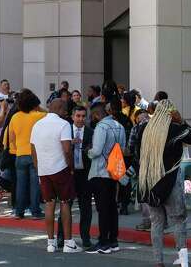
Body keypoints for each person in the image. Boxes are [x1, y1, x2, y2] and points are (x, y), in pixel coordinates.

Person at [138, 99, 191, 267]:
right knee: (179, 220)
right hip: (170, 180)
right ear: (171, 113)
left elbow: (138, 155)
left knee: (156, 222)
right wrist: (181, 120)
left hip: (150, 181)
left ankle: (158, 262)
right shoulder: (175, 129)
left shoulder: (144, 129)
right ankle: (184, 262)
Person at [31, 99, 82, 253]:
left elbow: (32, 150)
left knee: (49, 203)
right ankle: (68, 242)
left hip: (43, 169)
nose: (66, 112)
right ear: (59, 108)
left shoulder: (37, 124)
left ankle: (50, 243)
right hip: (60, 168)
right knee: (65, 203)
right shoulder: (64, 124)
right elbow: (67, 149)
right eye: (65, 109)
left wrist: (38, 167)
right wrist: (71, 167)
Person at [86, 102, 127, 254]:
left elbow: (96, 151)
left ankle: (103, 242)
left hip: (100, 171)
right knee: (112, 207)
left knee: (102, 209)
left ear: (97, 114)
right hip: (113, 171)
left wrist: (88, 152)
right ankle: (113, 240)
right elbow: (122, 149)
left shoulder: (101, 127)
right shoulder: (119, 126)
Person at [7, 90, 46, 219]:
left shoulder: (15, 117)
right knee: (34, 184)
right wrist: (38, 106)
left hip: (20, 154)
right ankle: (35, 211)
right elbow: (50, 114)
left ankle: (19, 211)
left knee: (20, 184)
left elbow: (11, 137)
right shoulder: (39, 116)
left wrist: (16, 149)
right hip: (35, 154)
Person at [65, 105, 94, 247]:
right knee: (66, 207)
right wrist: (70, 143)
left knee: (86, 208)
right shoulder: (65, 130)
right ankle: (62, 237)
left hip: (85, 173)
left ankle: (86, 237)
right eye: (78, 116)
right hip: (69, 173)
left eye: (83, 116)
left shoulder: (90, 132)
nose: (80, 119)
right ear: (72, 116)